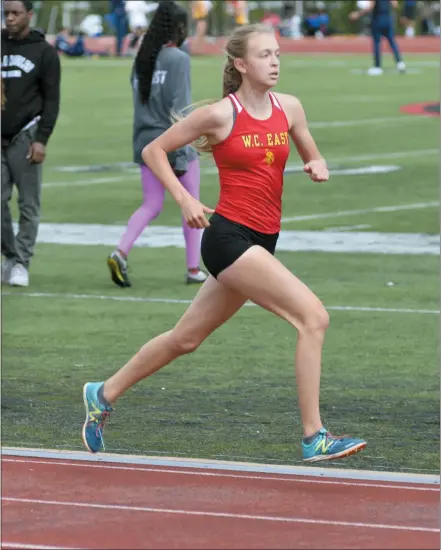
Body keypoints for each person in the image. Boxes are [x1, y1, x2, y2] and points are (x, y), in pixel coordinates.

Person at [83, 23, 367, 463]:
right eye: (264, 55)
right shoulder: (219, 115)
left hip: (262, 239)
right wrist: (185, 198)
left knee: (185, 339)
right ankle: (315, 436)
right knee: (313, 317)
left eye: (277, 53)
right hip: (228, 238)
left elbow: (312, 151)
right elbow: (153, 151)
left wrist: (317, 163)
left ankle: (103, 393)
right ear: (240, 64)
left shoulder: (289, 108)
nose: (274, 62)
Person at [107, 1, 207, 288]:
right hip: (173, 140)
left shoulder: (143, 56)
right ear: (178, 28)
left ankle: (120, 251)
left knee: (151, 204)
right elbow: (181, 108)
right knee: (192, 204)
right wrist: (181, 151)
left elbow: (139, 98)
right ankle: (192, 269)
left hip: (144, 139)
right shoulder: (179, 58)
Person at [1, 0, 61, 287]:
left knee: (28, 204)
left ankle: (21, 262)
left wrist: (41, 139)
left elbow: (52, 100)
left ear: (29, 15)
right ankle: (11, 256)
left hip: (25, 136)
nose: (10, 19)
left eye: (16, 13)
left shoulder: (44, 52)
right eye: (6, 14)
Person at [349, 0, 406, 76]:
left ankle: (377, 66)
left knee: (377, 42)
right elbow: (395, 5)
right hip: (388, 19)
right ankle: (400, 63)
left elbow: (371, 7)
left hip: (378, 19)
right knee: (391, 41)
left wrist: (358, 14)